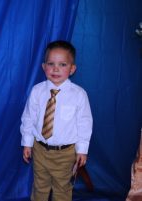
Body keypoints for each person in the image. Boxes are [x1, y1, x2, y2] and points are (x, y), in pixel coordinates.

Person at [20, 40, 93, 201]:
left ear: (72, 69)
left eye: (62, 64)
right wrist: (27, 142)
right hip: (40, 150)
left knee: (62, 189)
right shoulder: (37, 91)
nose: (55, 69)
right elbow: (28, 118)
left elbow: (84, 124)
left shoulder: (78, 95)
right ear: (43, 66)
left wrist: (82, 150)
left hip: (65, 154)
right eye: (51, 63)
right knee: (39, 186)